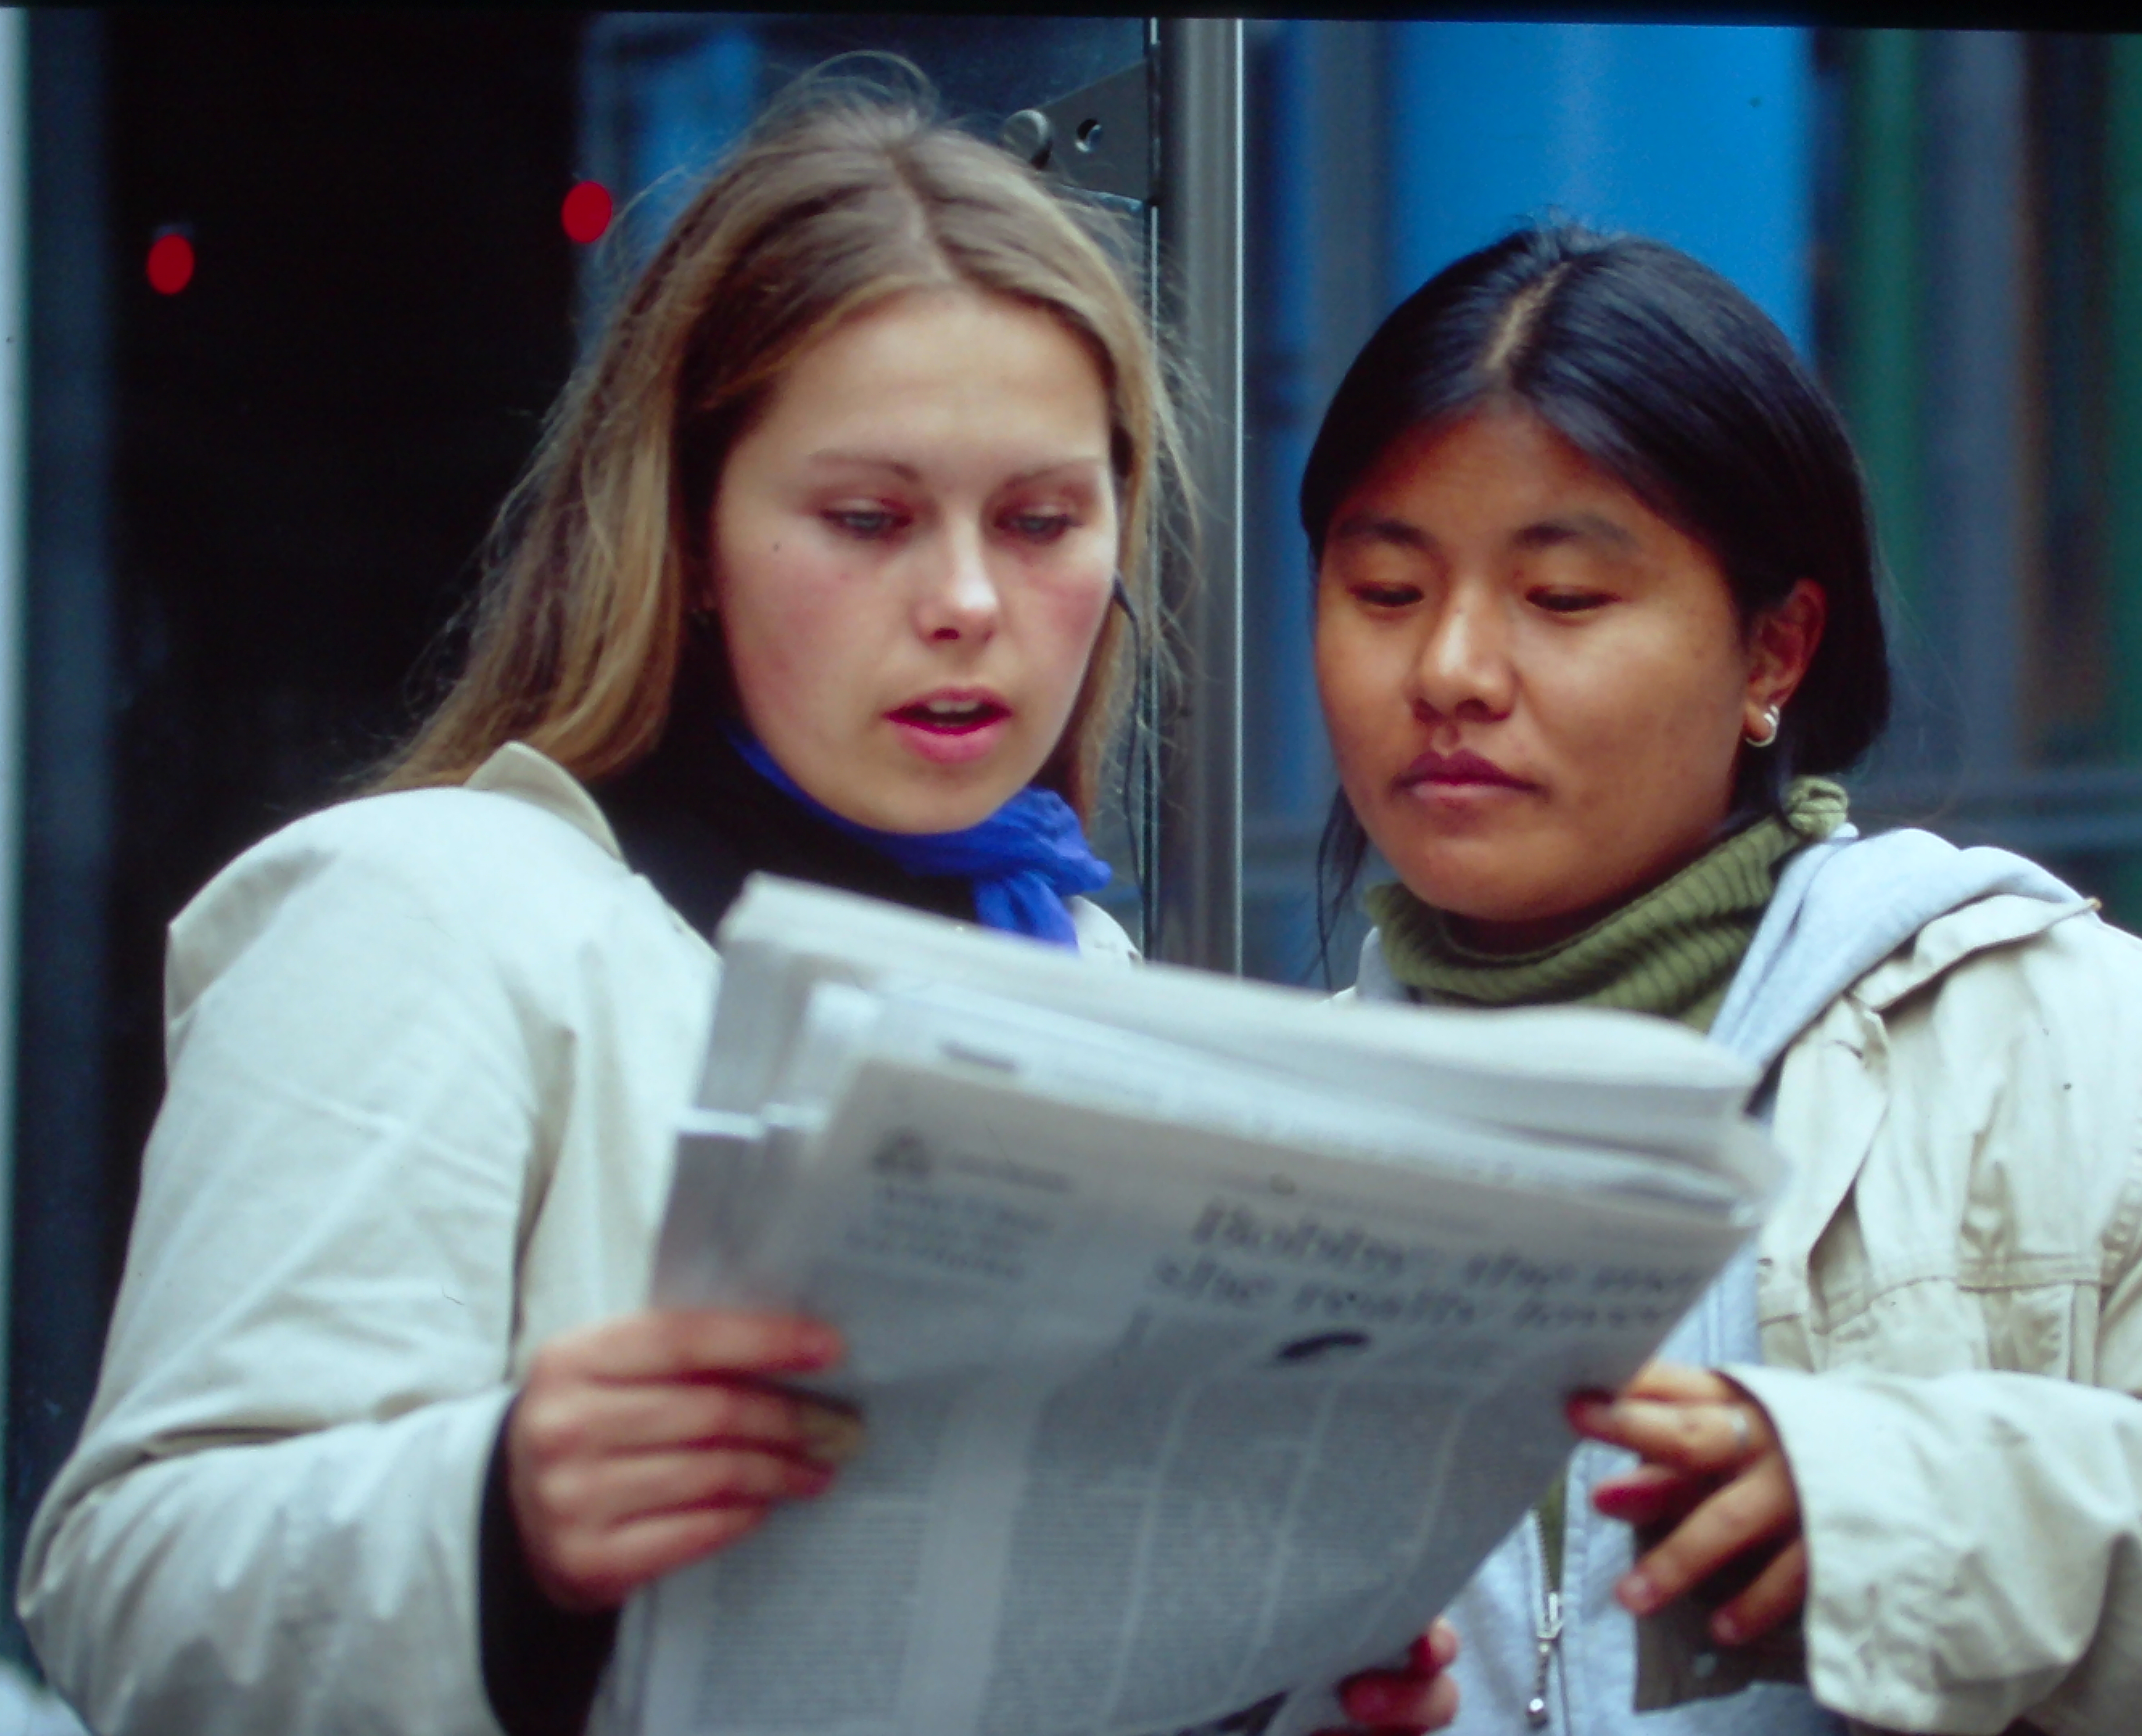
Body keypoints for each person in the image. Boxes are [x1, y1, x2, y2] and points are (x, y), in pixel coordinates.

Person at [17, 76, 1450, 1736]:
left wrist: (1283, 1674)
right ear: (691, 536)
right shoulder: (427, 911)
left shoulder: (1097, 975)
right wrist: (501, 1517)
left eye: (1043, 521)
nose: (969, 600)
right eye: (869, 519)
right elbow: (130, 1587)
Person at [1304, 223, 2142, 1735]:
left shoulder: (2063, 1043)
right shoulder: (1253, 1131)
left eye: (1563, 598)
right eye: (1385, 590)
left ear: (1776, 653)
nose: (1450, 670)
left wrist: (1914, 1512)